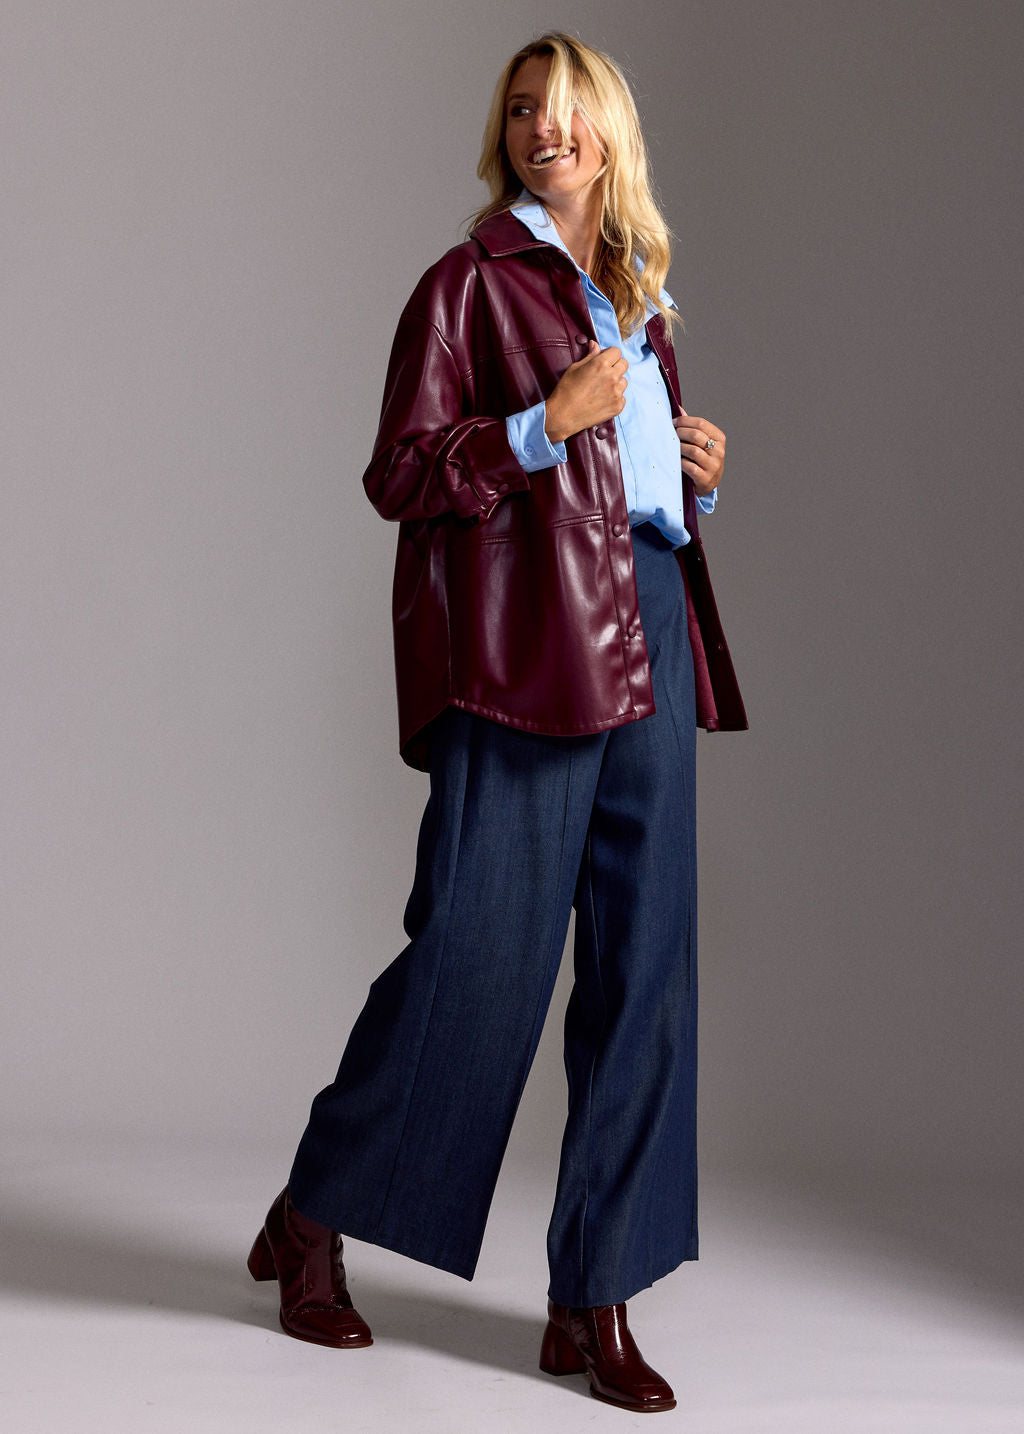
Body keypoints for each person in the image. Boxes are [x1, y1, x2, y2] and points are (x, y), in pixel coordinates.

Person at [248, 31, 746, 1415]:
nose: (545, 129)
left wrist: (695, 479)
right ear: (505, 135)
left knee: (646, 970)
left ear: (611, 131)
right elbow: (403, 472)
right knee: (476, 953)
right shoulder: (466, 285)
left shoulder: (638, 293)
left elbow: (632, 491)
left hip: (649, 616)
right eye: (523, 110)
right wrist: (541, 422)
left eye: (569, 108)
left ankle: (594, 1299)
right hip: (530, 642)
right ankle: (311, 1216)